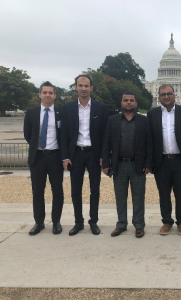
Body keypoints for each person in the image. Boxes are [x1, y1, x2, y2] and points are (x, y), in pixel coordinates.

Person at [61, 75, 108, 236]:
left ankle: (93, 221)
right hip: (76, 154)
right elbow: (64, 135)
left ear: (91, 88)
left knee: (95, 189)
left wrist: (103, 155)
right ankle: (78, 222)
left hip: (93, 154)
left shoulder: (100, 108)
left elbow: (104, 134)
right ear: (75, 87)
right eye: (80, 85)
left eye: (86, 85)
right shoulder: (68, 108)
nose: (83, 88)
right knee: (76, 190)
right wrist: (65, 157)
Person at [102, 92, 152, 238]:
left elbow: (150, 143)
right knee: (120, 196)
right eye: (125, 100)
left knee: (138, 197)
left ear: (136, 103)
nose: (128, 103)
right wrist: (106, 163)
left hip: (138, 164)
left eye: (131, 100)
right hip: (119, 164)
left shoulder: (144, 121)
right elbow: (106, 143)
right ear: (121, 102)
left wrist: (148, 163)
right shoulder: (113, 121)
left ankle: (139, 225)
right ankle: (121, 224)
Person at [147, 84, 181, 236]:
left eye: (169, 94)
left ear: (174, 95)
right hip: (161, 161)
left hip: (180, 160)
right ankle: (167, 221)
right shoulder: (152, 114)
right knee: (164, 193)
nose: (166, 97)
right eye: (163, 94)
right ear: (158, 97)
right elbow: (150, 139)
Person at [23, 81, 64, 235]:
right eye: (45, 92)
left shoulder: (61, 113)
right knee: (38, 191)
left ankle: (56, 222)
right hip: (38, 158)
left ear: (55, 95)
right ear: (39, 94)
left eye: (50, 93)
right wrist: (37, 147)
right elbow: (28, 134)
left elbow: (64, 134)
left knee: (57, 191)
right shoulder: (31, 112)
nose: (48, 95)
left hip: (55, 157)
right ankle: (39, 222)